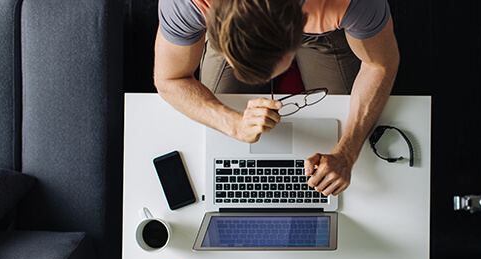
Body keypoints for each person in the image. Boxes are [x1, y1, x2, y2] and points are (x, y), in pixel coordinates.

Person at [154, 0, 399, 197]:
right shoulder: (185, 3)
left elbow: (380, 64)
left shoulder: (353, 3)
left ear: (302, 23)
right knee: (219, 137)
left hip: (325, 25)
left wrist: (347, 153)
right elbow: (169, 79)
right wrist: (233, 124)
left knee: (340, 123)